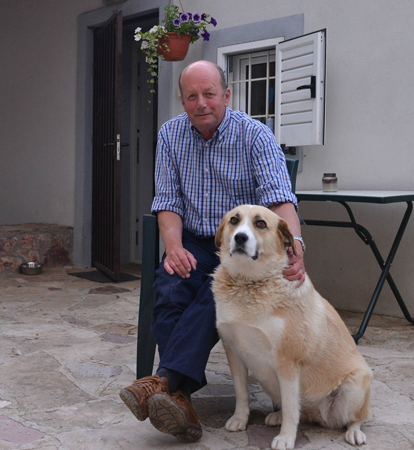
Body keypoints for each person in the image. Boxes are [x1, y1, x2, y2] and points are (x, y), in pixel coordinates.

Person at [119, 60, 305, 442]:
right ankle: (178, 398)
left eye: (209, 94)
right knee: (170, 287)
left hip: (243, 245)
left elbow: (279, 198)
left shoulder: (255, 135)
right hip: (193, 240)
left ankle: (163, 382)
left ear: (227, 95)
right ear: (182, 100)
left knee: (215, 293)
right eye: (192, 96)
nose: (201, 103)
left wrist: (295, 245)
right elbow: (167, 200)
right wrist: (173, 248)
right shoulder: (171, 134)